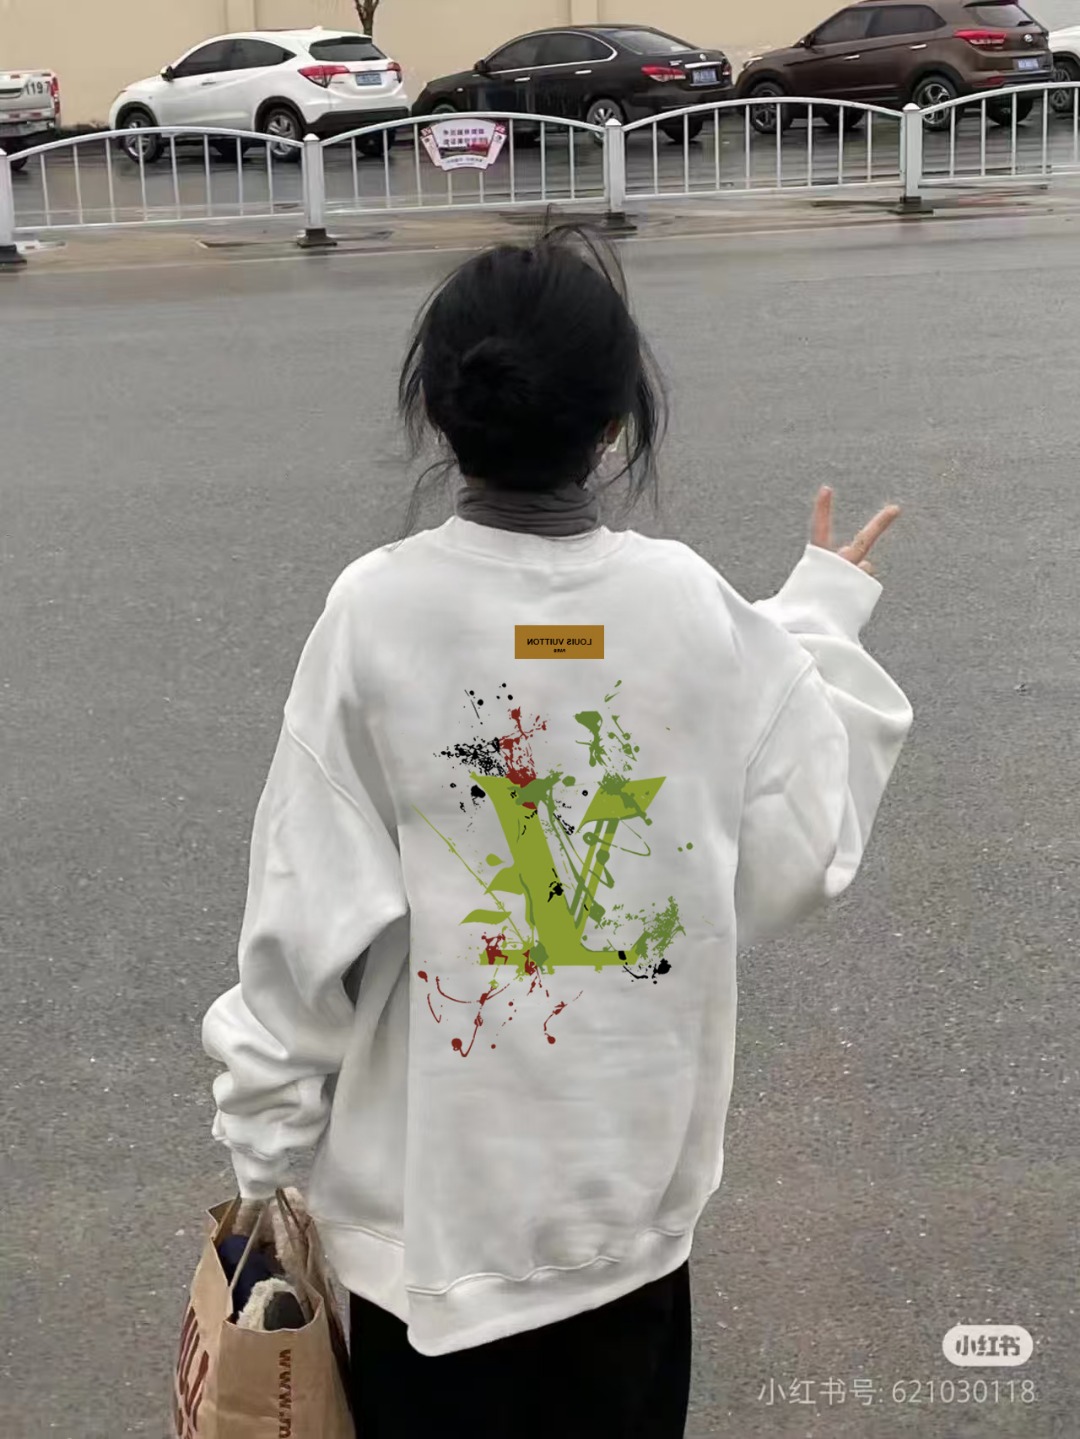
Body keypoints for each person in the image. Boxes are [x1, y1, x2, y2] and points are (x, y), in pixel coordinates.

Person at [202, 226, 913, 1438]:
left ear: (441, 413)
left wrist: (264, 1155)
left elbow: (302, 919)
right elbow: (799, 833)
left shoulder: (379, 611)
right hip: (628, 1223)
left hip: (430, 1244)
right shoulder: (689, 604)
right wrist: (819, 621)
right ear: (618, 424)